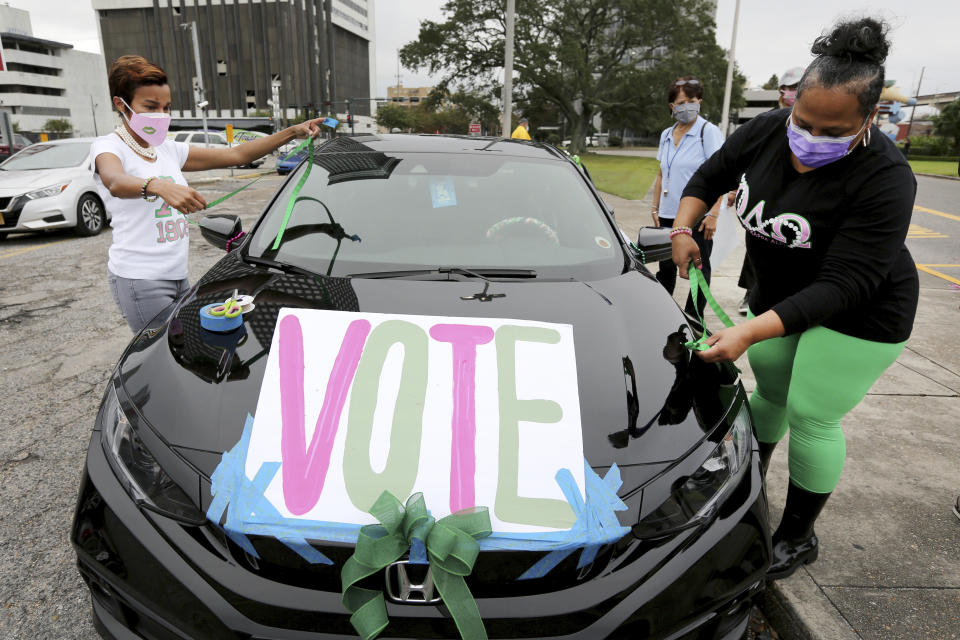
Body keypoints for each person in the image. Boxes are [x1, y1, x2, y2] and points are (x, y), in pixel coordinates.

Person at [670, 17, 918, 581]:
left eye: (834, 132)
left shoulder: (886, 177)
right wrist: (684, 228)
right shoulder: (770, 129)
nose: (811, 140)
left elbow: (844, 284)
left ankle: (797, 535)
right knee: (772, 394)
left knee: (811, 414)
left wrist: (747, 331)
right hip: (778, 298)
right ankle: (746, 490)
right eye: (804, 122)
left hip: (860, 313)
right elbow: (711, 175)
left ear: (868, 120)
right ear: (792, 104)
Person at [92, 55, 323, 333]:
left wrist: (291, 132)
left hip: (177, 275)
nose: (161, 115)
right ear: (121, 103)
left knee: (183, 346)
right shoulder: (109, 147)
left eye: (166, 107)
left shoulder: (167, 149)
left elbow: (235, 153)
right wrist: (156, 185)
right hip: (140, 279)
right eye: (150, 107)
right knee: (163, 354)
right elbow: (114, 181)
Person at [651, 76, 724, 317]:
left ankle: (694, 318)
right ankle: (661, 313)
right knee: (666, 268)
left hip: (697, 216)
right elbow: (662, 173)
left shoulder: (708, 132)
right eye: (682, 102)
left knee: (698, 271)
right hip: (667, 214)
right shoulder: (666, 134)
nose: (688, 106)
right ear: (672, 106)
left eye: (692, 100)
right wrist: (655, 208)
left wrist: (713, 213)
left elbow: (721, 175)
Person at [737, 65, 806, 315]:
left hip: (796, 194)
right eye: (786, 88)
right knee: (759, 242)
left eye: (795, 88)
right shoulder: (767, 121)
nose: (789, 92)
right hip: (767, 190)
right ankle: (750, 293)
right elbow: (747, 157)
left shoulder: (811, 121)